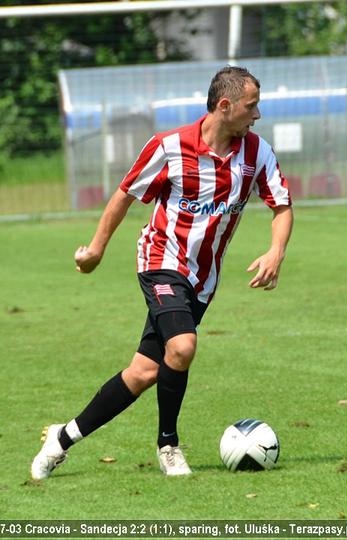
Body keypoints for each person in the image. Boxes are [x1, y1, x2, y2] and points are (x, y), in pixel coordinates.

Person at [31, 66, 293, 479]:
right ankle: (168, 444)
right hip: (160, 260)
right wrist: (97, 249)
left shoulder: (256, 153)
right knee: (183, 347)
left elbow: (281, 204)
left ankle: (61, 439)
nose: (257, 115)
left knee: (144, 372)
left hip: (202, 281)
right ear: (225, 106)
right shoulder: (169, 147)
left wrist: (276, 251)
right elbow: (125, 194)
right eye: (251, 106)